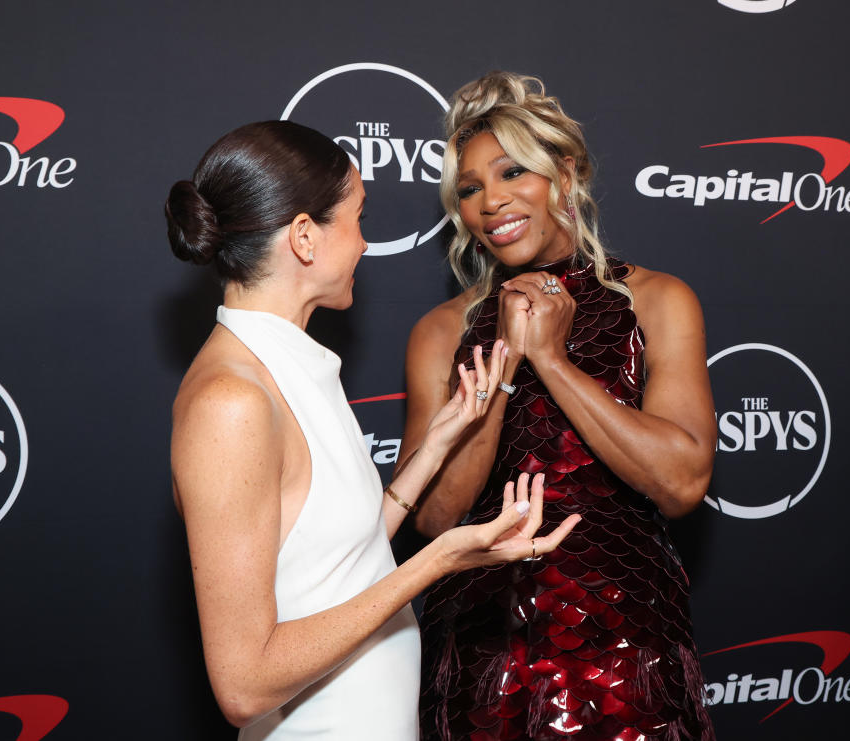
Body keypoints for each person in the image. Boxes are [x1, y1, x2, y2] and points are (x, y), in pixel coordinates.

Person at [164, 120, 580, 741]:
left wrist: (438, 441)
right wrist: (438, 559)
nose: (363, 244)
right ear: (305, 237)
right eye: (357, 218)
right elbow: (244, 685)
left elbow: (333, 563)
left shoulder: (292, 362)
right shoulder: (232, 400)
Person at [399, 73, 717, 740]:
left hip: (627, 651)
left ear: (564, 174)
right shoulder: (441, 331)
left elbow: (683, 480)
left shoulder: (658, 300)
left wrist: (552, 358)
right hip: (482, 654)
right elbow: (432, 514)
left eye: (512, 171)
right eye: (470, 188)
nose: (491, 201)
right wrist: (506, 360)